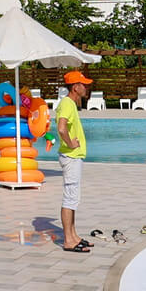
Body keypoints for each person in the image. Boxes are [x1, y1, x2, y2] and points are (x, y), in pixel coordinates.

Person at [55, 70, 92, 253]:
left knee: (73, 198)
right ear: (75, 87)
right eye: (83, 85)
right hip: (71, 157)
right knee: (70, 198)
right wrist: (71, 143)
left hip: (72, 157)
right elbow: (61, 129)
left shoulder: (69, 103)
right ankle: (68, 240)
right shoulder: (67, 104)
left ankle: (74, 235)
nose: (86, 88)